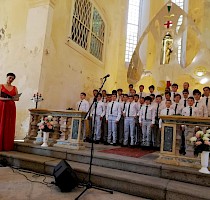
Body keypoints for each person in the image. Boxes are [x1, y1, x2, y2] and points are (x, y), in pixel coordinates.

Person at [0, 73, 19, 151]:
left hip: (11, 107)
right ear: (6, 77)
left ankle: (7, 145)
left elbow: (17, 98)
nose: (10, 80)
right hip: (2, 106)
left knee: (9, 124)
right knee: (1, 122)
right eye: (10, 78)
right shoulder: (1, 85)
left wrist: (11, 98)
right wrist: (8, 99)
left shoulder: (15, 88)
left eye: (12, 79)